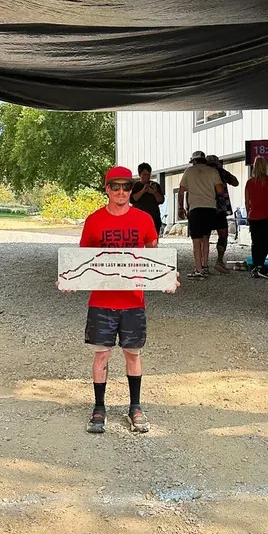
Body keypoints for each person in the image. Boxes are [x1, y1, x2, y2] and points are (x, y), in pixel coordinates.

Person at [76, 166, 175, 435]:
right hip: (101, 300)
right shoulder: (94, 220)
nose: (121, 191)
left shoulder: (144, 219)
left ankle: (135, 406)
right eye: (115, 186)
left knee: (133, 353)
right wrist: (69, 281)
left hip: (134, 300)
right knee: (102, 354)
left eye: (126, 186)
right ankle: (99, 407)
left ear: (132, 190)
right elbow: (82, 260)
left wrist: (166, 279)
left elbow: (155, 257)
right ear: (106, 189)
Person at [178, 151, 225, 279]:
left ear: (193, 161)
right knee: (206, 239)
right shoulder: (212, 171)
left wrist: (180, 208)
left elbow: (181, 191)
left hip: (196, 209)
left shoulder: (189, 171)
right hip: (210, 208)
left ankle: (198, 270)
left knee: (196, 241)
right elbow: (220, 190)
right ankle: (205, 267)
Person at [205, 154, 240, 274]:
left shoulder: (203, 173)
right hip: (218, 209)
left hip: (206, 208)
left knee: (205, 237)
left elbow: (235, 182)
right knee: (222, 234)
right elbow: (235, 182)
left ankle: (204, 265)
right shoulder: (220, 172)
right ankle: (218, 261)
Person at [244, 155, 268, 279]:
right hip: (266, 214)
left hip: (253, 216)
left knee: (256, 242)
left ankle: (257, 266)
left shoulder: (249, 182)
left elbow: (247, 200)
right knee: (267, 241)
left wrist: (248, 214)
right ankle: (261, 265)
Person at [130, 162, 165, 236]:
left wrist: (154, 192)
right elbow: (131, 199)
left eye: (149, 175)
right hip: (138, 219)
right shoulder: (135, 186)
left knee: (153, 242)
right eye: (144, 175)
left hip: (154, 218)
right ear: (140, 175)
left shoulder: (155, 185)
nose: (147, 177)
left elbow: (161, 200)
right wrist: (142, 191)